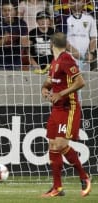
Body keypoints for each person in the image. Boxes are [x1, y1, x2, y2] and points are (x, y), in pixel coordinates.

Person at [41, 32, 91, 197]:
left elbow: (80, 82)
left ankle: (84, 176)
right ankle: (57, 188)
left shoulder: (66, 59)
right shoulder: (55, 61)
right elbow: (50, 81)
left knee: (60, 145)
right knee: (53, 146)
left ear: (51, 44)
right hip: (56, 109)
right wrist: (45, 89)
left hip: (69, 108)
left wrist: (61, 94)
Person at [64, 0, 97, 71]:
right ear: (69, 4)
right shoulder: (64, 19)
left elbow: (93, 38)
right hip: (69, 57)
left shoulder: (90, 19)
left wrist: (91, 52)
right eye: (73, 1)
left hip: (85, 58)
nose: (76, 3)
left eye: (78, 1)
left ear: (83, 3)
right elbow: (61, 39)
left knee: (84, 80)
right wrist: (73, 51)